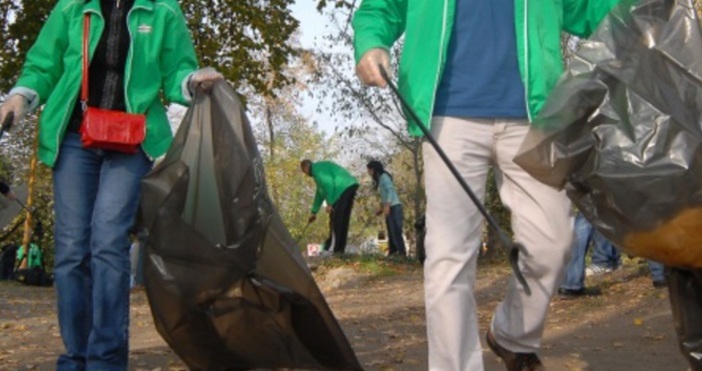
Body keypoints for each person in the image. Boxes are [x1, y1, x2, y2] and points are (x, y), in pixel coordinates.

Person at [353, 0, 620, 369]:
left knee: (554, 242)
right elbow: (380, 9)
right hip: (448, 114)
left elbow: (590, 9)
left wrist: (649, 14)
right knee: (449, 257)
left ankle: (513, 335)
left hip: (535, 113)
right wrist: (370, 43)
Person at [0, 0, 222, 368]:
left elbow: (177, 70)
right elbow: (44, 64)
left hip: (132, 140)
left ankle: (104, 359)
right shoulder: (72, 7)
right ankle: (76, 357)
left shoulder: (163, 11)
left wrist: (192, 80)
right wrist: (19, 97)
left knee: (107, 241)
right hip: (74, 138)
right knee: (72, 249)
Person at [300, 159, 359, 254]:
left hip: (342, 188)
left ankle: (331, 249)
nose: (306, 174)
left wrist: (330, 203)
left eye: (304, 171)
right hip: (350, 185)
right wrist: (314, 212)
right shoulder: (320, 169)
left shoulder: (317, 170)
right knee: (342, 220)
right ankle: (339, 250)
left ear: (306, 167)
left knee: (336, 220)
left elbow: (329, 184)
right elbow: (319, 194)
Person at [366, 160, 406, 256]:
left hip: (394, 207)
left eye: (369, 170)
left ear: (373, 169)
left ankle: (402, 254)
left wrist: (387, 206)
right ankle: (392, 253)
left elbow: (390, 191)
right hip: (389, 207)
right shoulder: (380, 179)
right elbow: (384, 195)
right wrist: (382, 208)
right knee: (391, 232)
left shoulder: (384, 177)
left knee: (396, 231)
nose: (369, 173)